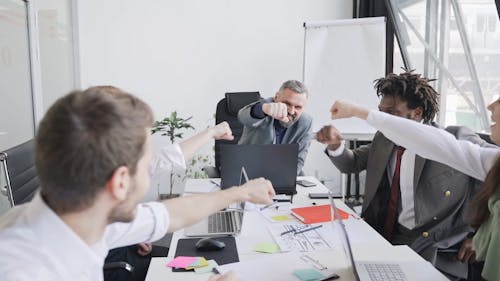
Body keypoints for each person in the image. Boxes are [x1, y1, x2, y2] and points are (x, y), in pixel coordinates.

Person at [0, 86, 275, 281]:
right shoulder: (23, 271)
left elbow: (171, 214)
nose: (150, 174)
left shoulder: (84, 215)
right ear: (120, 182)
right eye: (146, 167)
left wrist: (240, 192)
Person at [315, 72, 494, 280]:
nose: (383, 119)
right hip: (387, 237)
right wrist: (336, 146)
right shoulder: (385, 138)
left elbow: (495, 179)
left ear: (417, 113)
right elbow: (352, 162)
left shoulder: (456, 138)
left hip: (437, 249)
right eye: (380, 112)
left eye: (390, 113)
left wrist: (480, 235)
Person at [104, 120, 237, 281]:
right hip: (120, 269)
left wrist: (132, 237)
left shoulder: (96, 189)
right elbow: (173, 214)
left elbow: (165, 159)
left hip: (125, 248)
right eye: (145, 158)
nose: (149, 167)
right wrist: (240, 193)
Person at [237, 80, 313, 175]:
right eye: (287, 104)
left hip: (282, 174)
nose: (292, 111)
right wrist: (263, 110)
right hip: (248, 170)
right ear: (276, 97)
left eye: (298, 107)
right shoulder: (264, 107)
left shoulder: (306, 123)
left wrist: (286, 180)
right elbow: (242, 116)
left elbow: (299, 160)